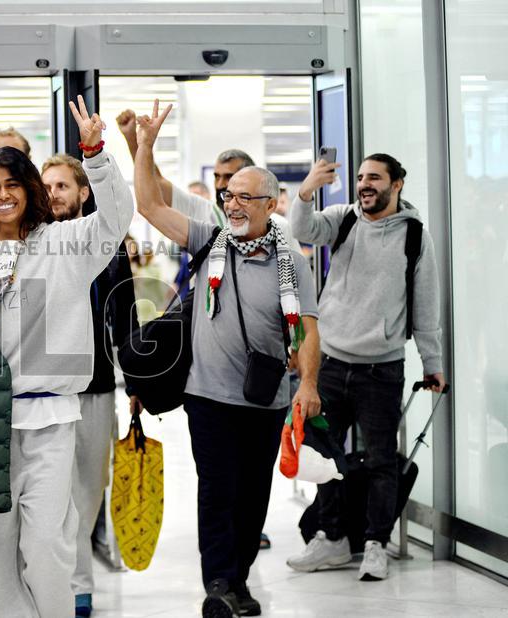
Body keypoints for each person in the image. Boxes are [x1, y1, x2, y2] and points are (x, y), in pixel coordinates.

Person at [0, 96, 133, 617]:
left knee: (46, 550)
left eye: (13, 184)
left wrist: (96, 154)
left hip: (51, 421)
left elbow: (115, 219)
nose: (3, 195)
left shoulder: (66, 244)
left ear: (31, 191)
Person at [133, 100, 322, 618]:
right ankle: (218, 582)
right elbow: (149, 207)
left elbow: (308, 324)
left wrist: (307, 384)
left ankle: (235, 579)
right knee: (218, 490)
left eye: (244, 197)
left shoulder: (292, 260)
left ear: (270, 204)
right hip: (208, 395)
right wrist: (145, 145)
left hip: (265, 398)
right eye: (228, 195)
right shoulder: (210, 239)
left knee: (252, 495)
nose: (233, 204)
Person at [285, 154, 445, 581]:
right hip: (331, 363)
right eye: (359, 178)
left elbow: (426, 306)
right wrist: (306, 190)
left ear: (398, 184)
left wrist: (433, 363)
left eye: (374, 177)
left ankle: (375, 543)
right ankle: (332, 538)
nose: (364, 184)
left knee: (379, 461)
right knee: (324, 456)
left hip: (382, 369)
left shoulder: (414, 236)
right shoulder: (343, 219)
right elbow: (301, 229)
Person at [41, 153, 136, 617]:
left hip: (97, 387)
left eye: (63, 186)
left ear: (83, 193)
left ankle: (78, 582)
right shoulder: (34, 243)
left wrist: (136, 384)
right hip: (46, 390)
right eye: (48, 186)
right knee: (48, 494)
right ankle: (62, 583)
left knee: (87, 490)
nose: (54, 194)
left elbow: (126, 316)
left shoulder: (108, 245)